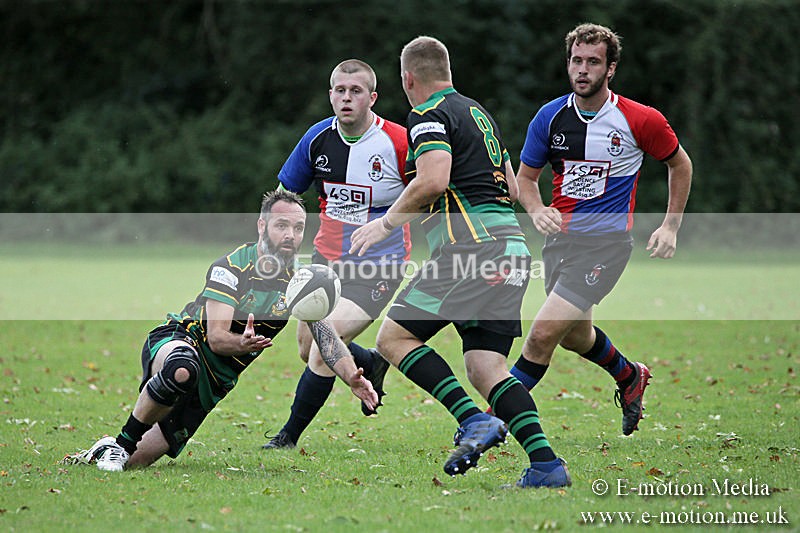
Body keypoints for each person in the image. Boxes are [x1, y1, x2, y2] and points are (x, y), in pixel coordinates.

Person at [349, 36, 570, 489]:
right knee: (485, 367)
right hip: (510, 249)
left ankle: (474, 421)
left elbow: (433, 180)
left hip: (472, 250)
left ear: (408, 78)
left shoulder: (428, 114)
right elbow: (509, 187)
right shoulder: (477, 113)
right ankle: (547, 466)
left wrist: (383, 226)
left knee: (393, 338)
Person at [63, 190, 378, 471]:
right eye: (281, 225)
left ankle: (109, 450)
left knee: (135, 465)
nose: (290, 235)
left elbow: (326, 339)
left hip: (216, 382)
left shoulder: (300, 281)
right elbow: (215, 339)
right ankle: (121, 444)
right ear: (262, 226)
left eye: (298, 228)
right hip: (183, 340)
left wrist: (351, 376)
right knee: (182, 370)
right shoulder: (231, 268)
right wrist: (242, 343)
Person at [510, 23, 693, 436]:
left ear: (610, 69)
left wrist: (671, 226)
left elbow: (680, 164)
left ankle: (488, 422)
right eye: (576, 60)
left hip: (605, 246)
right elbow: (524, 179)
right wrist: (537, 207)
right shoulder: (550, 117)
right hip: (561, 246)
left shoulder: (639, 119)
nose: (582, 69)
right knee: (576, 336)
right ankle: (629, 375)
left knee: (541, 336)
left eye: (593, 62)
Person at [262, 59, 410, 450]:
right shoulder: (317, 139)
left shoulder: (397, 141)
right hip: (326, 263)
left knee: (324, 351)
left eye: (356, 91)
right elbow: (285, 196)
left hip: (380, 265)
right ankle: (373, 362)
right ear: (330, 95)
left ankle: (286, 439)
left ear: (372, 97)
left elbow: (427, 191)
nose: (347, 98)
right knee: (306, 347)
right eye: (340, 91)